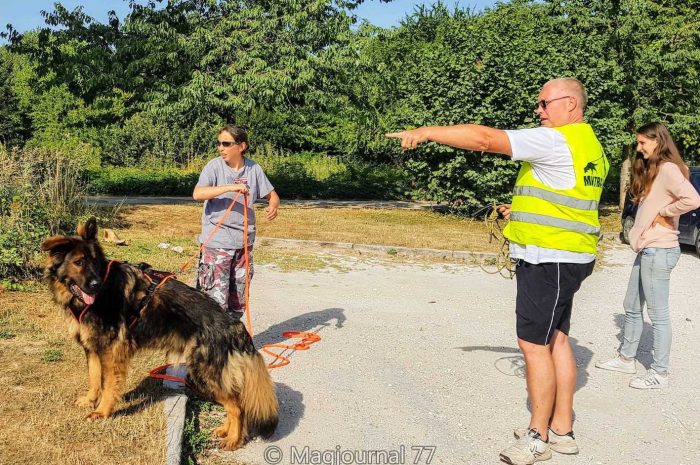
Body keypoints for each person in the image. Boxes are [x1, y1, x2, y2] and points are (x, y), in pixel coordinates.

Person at [386, 78, 608, 465]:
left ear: (570, 105)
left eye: (544, 102)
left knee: (533, 344)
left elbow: (486, 139)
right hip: (569, 256)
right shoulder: (590, 146)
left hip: (548, 259)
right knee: (556, 338)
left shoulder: (556, 139)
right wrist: (517, 211)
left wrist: (426, 132)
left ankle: (537, 437)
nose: (538, 110)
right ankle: (562, 429)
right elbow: (567, 202)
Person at [595, 122, 700, 389]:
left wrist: (664, 212)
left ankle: (660, 374)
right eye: (638, 143)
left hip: (660, 249)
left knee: (658, 314)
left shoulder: (668, 169)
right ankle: (626, 359)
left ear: (658, 141)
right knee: (631, 305)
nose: (639, 148)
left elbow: (692, 199)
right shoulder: (656, 170)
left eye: (643, 143)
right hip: (647, 248)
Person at [193, 125, 280, 322]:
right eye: (219, 143)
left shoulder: (254, 169)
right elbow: (198, 193)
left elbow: (273, 195)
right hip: (217, 243)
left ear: (241, 146)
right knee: (213, 299)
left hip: (244, 244)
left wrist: (273, 206)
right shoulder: (214, 167)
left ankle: (231, 342)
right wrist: (231, 187)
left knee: (237, 299)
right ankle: (212, 346)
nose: (220, 148)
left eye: (226, 143)